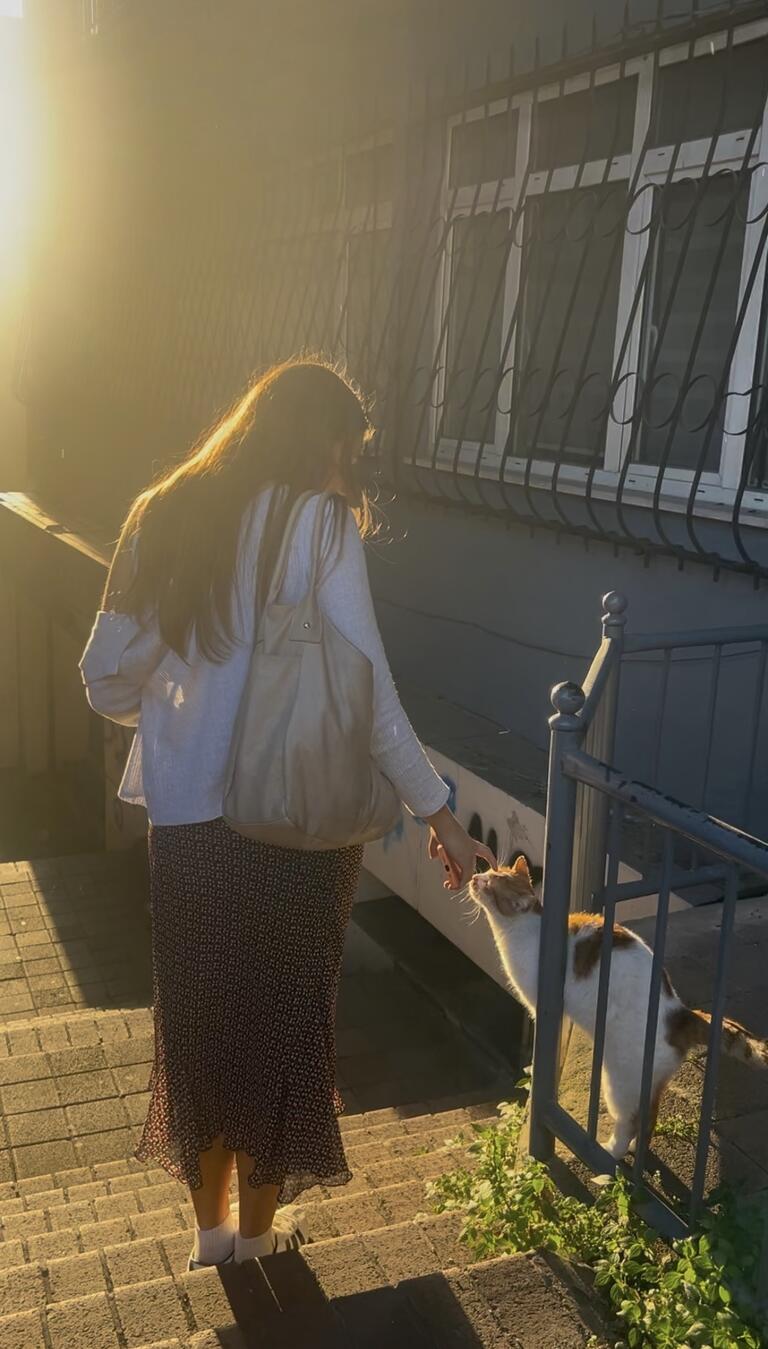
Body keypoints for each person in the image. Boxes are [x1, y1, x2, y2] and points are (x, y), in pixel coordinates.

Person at [79, 357, 494, 1270]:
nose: (357, 474)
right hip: (296, 825)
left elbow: (105, 677)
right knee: (282, 1030)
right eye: (354, 452)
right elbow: (371, 693)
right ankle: (261, 1242)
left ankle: (211, 1239)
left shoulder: (160, 510)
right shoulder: (318, 524)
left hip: (188, 826)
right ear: (324, 444)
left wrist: (180, 687)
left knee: (198, 1027)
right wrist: (441, 814)